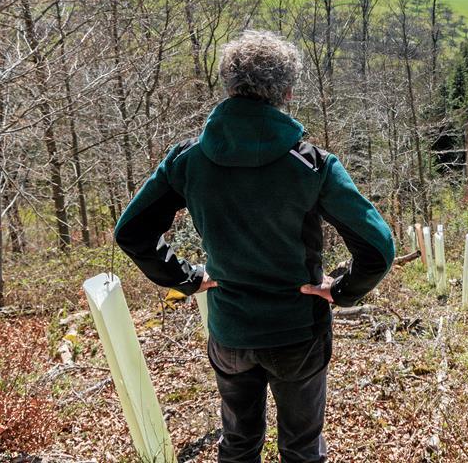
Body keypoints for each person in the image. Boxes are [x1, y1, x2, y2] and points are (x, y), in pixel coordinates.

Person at [115, 29, 395, 463]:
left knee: (239, 444)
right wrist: (340, 291)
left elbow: (131, 231)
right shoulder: (312, 165)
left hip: (230, 331)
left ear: (229, 85)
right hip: (297, 332)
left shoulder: (187, 160)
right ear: (286, 91)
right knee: (302, 450)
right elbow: (377, 247)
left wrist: (186, 278)